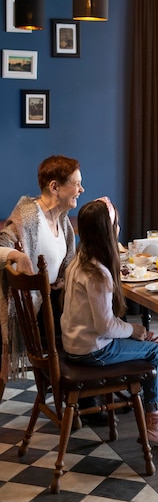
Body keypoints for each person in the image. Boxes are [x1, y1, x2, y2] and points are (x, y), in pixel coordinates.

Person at [61, 198, 158, 449]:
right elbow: (105, 327)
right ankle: (155, 423)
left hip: (76, 344)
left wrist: (134, 333)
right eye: (116, 225)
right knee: (155, 350)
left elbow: (100, 322)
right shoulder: (98, 274)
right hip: (93, 351)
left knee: (146, 342)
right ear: (108, 232)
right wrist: (135, 330)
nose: (119, 229)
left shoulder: (79, 261)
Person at [0, 155, 84, 390]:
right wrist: (17, 255)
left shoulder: (63, 222)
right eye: (76, 184)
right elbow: (1, 247)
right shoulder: (28, 215)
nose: (81, 189)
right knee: (93, 326)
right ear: (55, 187)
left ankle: (88, 390)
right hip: (33, 319)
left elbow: (65, 266)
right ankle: (90, 390)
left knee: (96, 314)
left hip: (50, 307)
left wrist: (62, 281)